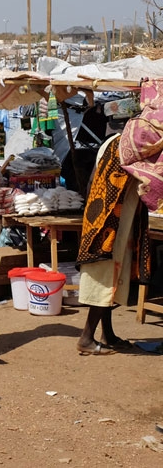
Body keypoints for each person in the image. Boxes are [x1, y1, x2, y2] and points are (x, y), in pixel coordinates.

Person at [76, 134, 135, 355]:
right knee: (106, 276)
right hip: (110, 221)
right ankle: (86, 337)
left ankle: (107, 333)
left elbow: (94, 180)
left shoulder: (113, 142)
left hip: (104, 216)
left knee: (109, 276)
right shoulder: (127, 145)